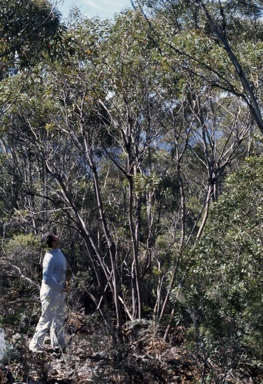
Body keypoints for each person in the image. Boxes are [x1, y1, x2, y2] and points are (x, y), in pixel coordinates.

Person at [29, 233, 67, 353]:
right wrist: (61, 287)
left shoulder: (58, 252)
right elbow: (47, 279)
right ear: (53, 242)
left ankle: (58, 345)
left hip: (59, 291)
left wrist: (64, 286)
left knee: (59, 318)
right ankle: (34, 346)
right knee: (46, 318)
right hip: (50, 293)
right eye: (55, 236)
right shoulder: (49, 257)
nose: (57, 235)